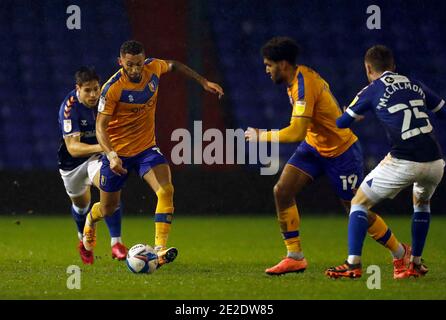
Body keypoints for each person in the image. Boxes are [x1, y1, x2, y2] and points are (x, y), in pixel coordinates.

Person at [245, 37, 407, 276]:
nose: (266, 69)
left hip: (342, 151)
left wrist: (262, 135)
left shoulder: (303, 82)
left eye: (269, 64)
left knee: (355, 208)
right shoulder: (296, 79)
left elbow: (296, 132)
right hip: (313, 147)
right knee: (282, 190)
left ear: (283, 64)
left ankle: (401, 252)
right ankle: (295, 256)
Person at [82, 40, 224, 267]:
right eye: (130, 65)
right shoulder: (112, 88)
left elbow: (175, 65)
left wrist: (203, 82)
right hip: (118, 154)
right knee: (108, 208)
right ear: (121, 62)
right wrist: (110, 154)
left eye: (139, 64)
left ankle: (159, 249)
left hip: (146, 149)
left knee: (166, 190)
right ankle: (90, 219)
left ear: (144, 59)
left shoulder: (153, 67)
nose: (136, 69)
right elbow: (100, 126)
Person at [326, 45, 446, 279]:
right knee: (421, 204)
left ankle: (353, 264)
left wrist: (353, 113)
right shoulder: (416, 84)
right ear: (393, 66)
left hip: (404, 160)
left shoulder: (371, 90)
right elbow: (443, 112)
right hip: (434, 161)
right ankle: (415, 263)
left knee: (358, 203)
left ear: (368, 67)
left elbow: (341, 123)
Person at [58, 67, 128, 265]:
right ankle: (83, 239)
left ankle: (116, 243)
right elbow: (72, 148)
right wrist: (105, 147)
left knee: (110, 186)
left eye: (96, 89)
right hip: (72, 164)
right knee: (81, 206)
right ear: (77, 89)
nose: (93, 94)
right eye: (87, 90)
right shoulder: (69, 107)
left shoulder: (107, 101)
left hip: (97, 159)